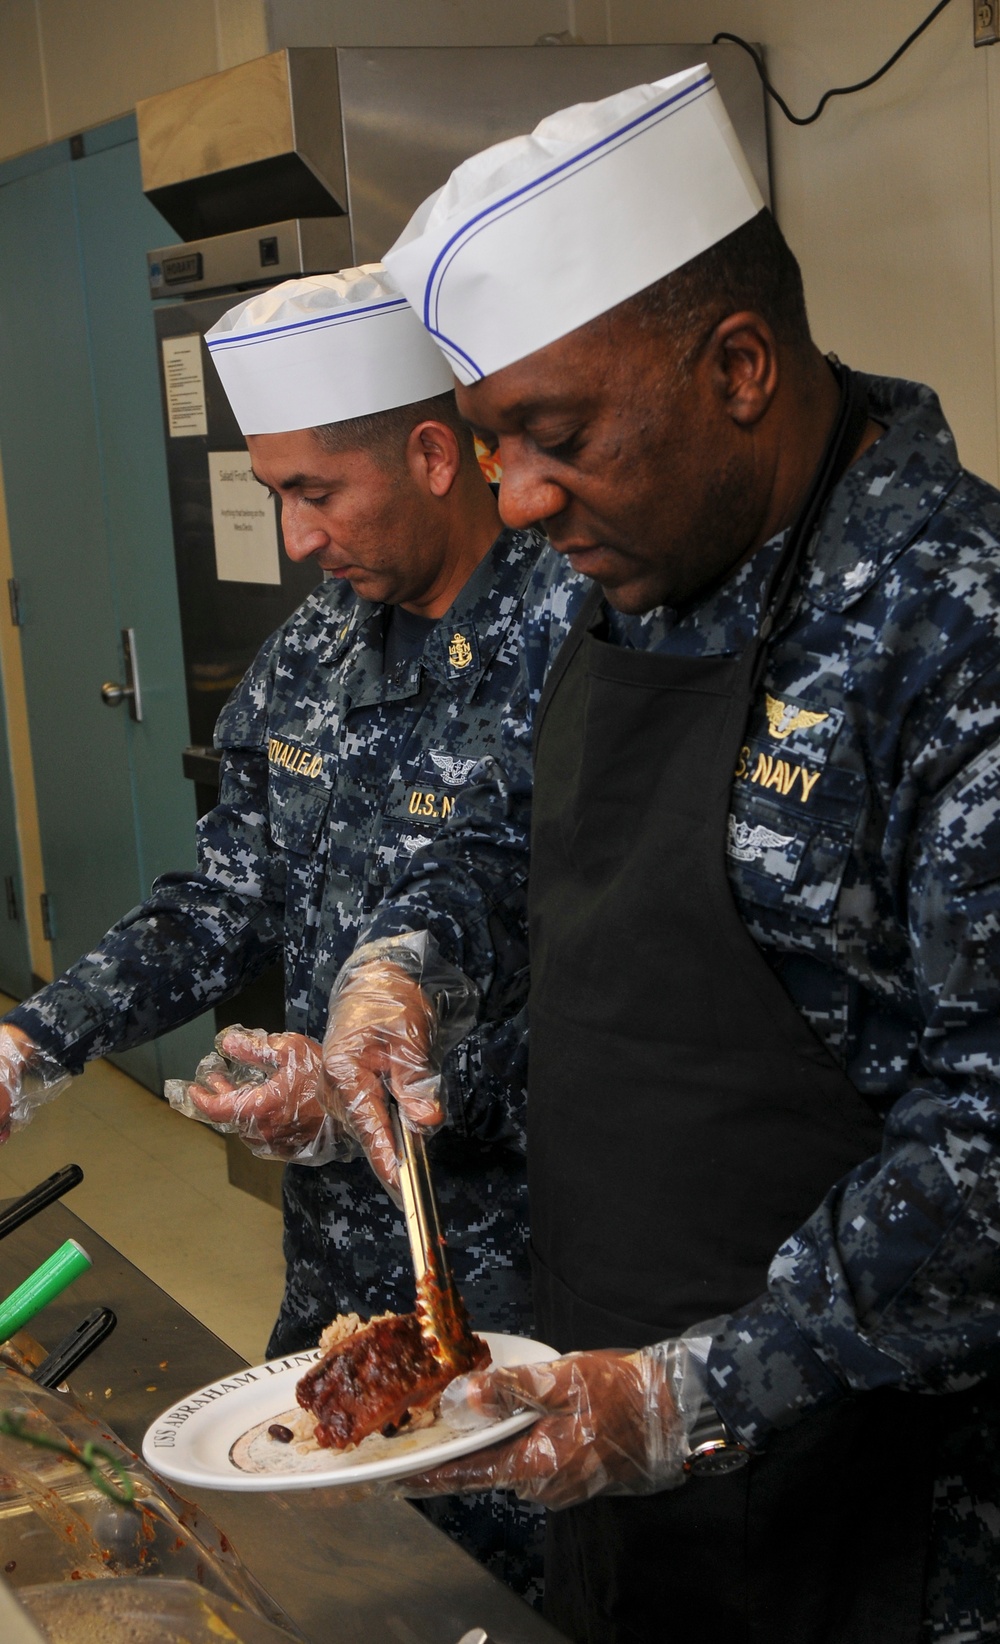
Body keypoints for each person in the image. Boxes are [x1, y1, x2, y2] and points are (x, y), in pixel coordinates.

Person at [306, 70, 1000, 1643]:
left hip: (883, 1506)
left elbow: (990, 1129)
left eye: (552, 437)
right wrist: (403, 966)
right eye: (490, 449)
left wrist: (690, 1393)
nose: (522, 499)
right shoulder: (595, 575)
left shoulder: (955, 625)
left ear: (739, 367)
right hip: (601, 1429)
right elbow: (492, 827)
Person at [0, 266, 547, 1597]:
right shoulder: (315, 654)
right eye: (274, 495)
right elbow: (221, 899)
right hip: (340, 1284)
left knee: (507, 1606)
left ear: (431, 454)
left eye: (316, 492)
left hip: (524, 1287)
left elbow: (641, 995)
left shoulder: (581, 642)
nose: (295, 539)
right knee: (328, 1586)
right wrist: (37, 1034)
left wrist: (411, 1076)